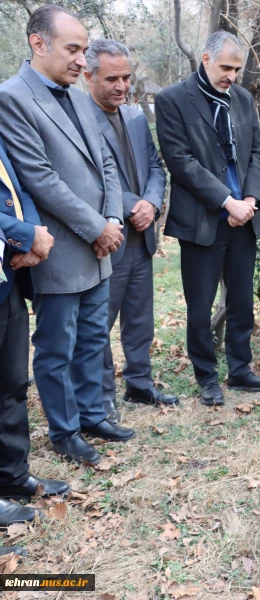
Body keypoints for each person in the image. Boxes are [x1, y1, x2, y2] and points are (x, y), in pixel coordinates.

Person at [0, 4, 135, 466]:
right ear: (38, 44)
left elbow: (108, 163)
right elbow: (39, 177)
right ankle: (65, 431)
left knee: (95, 338)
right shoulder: (13, 97)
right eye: (73, 49)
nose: (83, 60)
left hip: (102, 246)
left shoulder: (78, 95)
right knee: (58, 346)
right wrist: (95, 227)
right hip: (59, 248)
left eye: (84, 49)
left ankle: (94, 413)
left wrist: (112, 222)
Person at [156, 31, 260, 405]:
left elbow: (258, 151)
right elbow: (181, 162)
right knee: (199, 305)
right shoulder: (172, 100)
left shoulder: (241, 99)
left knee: (240, 301)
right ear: (205, 59)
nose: (232, 76)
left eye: (237, 69)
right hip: (203, 222)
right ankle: (206, 376)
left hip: (245, 219)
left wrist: (251, 199)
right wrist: (227, 202)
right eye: (226, 67)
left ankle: (240, 371)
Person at [84, 39, 176, 421]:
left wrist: (151, 204)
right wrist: (130, 205)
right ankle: (102, 395)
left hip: (142, 237)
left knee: (140, 318)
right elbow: (86, 179)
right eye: (112, 79)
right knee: (98, 324)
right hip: (106, 240)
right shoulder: (77, 119)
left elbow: (156, 166)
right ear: (88, 76)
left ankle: (140, 383)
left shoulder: (137, 117)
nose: (122, 86)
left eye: (126, 77)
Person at [0, 135, 71, 529]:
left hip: (7, 278)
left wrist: (31, 232)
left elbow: (16, 189)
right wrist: (23, 235)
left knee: (11, 384)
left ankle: (11, 475)